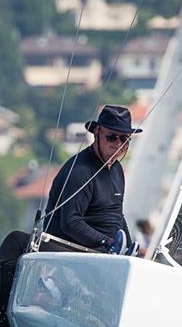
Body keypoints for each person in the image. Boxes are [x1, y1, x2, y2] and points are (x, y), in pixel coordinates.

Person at [43, 105, 140, 254]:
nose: (118, 143)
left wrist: (130, 248)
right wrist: (108, 243)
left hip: (105, 253)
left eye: (124, 138)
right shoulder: (80, 171)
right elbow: (70, 222)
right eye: (112, 136)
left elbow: (117, 216)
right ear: (96, 133)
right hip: (71, 251)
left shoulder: (117, 169)